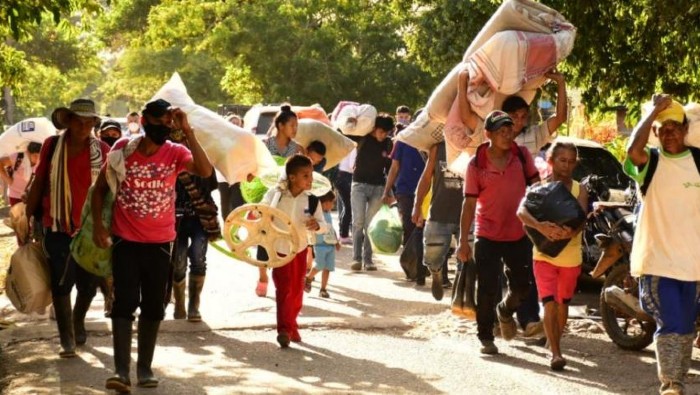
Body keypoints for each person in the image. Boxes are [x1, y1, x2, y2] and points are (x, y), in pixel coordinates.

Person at [92, 99, 212, 392]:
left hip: (160, 244)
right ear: (145, 122)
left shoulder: (175, 152)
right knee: (123, 303)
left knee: (154, 306)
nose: (165, 129)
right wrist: (98, 225)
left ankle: (144, 368)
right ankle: (121, 371)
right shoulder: (124, 149)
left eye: (169, 124)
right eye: (160, 123)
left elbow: (205, 171)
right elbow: (100, 190)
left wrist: (188, 130)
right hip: (125, 241)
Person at [624, 95, 700, 395]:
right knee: (672, 322)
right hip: (658, 263)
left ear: (685, 130)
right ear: (655, 133)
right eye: (662, 128)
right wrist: (654, 110)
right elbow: (632, 150)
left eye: (674, 126)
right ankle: (671, 383)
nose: (669, 132)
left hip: (693, 264)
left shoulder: (697, 160)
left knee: (686, 326)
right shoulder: (652, 162)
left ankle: (677, 380)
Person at [24, 99, 110, 358]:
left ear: (95, 123)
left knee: (87, 285)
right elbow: (39, 182)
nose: (83, 126)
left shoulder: (104, 150)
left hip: (89, 229)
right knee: (61, 283)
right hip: (56, 224)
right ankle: (66, 338)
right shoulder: (52, 145)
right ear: (68, 121)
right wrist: (26, 217)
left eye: (88, 121)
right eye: (78, 120)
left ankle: (78, 320)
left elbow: (109, 192)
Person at [456, 110, 540, 355]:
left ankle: (504, 311)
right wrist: (464, 241)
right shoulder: (477, 164)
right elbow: (469, 203)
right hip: (488, 234)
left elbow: (536, 188)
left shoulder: (521, 156)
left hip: (518, 233)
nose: (507, 135)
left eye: (510, 131)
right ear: (488, 134)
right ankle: (485, 337)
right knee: (487, 288)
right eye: (501, 131)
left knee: (523, 287)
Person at [501, 71, 567, 337]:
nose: (518, 121)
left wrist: (560, 84)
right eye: (513, 116)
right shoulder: (495, 137)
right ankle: (501, 313)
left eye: (522, 116)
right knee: (505, 267)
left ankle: (528, 320)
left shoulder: (534, 136)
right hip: (500, 211)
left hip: (529, 212)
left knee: (527, 265)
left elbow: (559, 118)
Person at [517, 141, 588, 370]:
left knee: (562, 304)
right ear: (551, 161)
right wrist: (541, 227)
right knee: (548, 303)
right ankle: (556, 353)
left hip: (570, 257)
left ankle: (553, 341)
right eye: (561, 160)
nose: (566, 166)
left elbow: (582, 218)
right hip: (543, 255)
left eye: (570, 161)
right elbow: (521, 211)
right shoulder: (539, 187)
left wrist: (569, 232)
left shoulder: (580, 189)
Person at [260, 154, 326, 347]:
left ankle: (292, 325)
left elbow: (323, 225)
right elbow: (261, 210)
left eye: (311, 175)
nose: (310, 180)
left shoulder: (313, 200)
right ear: (292, 177)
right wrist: (260, 215)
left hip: (299, 250)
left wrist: (317, 225)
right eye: (305, 175)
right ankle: (283, 330)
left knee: (297, 291)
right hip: (279, 250)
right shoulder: (276, 194)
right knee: (284, 289)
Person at [255, 105, 304, 297]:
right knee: (262, 236)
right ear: (281, 125)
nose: (295, 129)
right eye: (292, 125)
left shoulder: (297, 149)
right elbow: (257, 169)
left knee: (283, 237)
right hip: (267, 197)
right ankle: (262, 276)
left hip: (288, 201)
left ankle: (281, 277)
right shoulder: (265, 145)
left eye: (296, 125)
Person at [172, 144, 219, 322]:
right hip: (176, 219)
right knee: (178, 261)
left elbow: (212, 185)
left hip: (201, 218)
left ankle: (194, 306)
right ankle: (179, 303)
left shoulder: (204, 161)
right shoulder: (172, 160)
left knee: (199, 258)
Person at [413, 140, 462, 297]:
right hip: (439, 212)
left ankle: (460, 293)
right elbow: (426, 178)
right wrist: (417, 206)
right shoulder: (438, 149)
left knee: (468, 261)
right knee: (433, 258)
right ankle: (436, 274)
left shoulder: (475, 146)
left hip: (467, 214)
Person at [349, 114, 394, 271]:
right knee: (358, 222)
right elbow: (344, 132)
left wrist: (389, 192)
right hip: (359, 185)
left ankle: (368, 260)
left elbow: (390, 168)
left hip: (378, 187)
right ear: (375, 128)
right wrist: (353, 121)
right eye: (382, 131)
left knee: (370, 225)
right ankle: (356, 258)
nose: (384, 135)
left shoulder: (388, 144)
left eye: (387, 133)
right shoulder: (362, 138)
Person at [382, 137, 428, 284]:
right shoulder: (402, 141)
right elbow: (394, 167)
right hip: (405, 191)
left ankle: (422, 266)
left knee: (425, 229)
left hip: (428, 191)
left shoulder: (430, 141)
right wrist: (387, 190)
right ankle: (412, 268)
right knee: (410, 228)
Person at [304, 190, 340, 298]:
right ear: (324, 203)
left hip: (330, 245)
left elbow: (331, 229)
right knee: (319, 265)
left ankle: (323, 289)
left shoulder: (328, 214)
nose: (333, 204)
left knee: (328, 268)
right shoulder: (317, 214)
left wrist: (336, 242)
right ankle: (308, 278)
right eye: (332, 202)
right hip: (320, 245)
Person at [217, 113, 246, 223]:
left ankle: (237, 226)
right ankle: (227, 225)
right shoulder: (220, 139)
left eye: (237, 123)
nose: (234, 125)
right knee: (225, 202)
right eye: (232, 122)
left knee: (237, 202)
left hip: (238, 176)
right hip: (223, 176)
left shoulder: (243, 139)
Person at [0, 141, 42, 207]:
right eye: (35, 155)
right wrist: (8, 180)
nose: (37, 159)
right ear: (28, 153)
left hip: (32, 195)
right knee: (17, 216)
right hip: (16, 195)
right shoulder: (18, 157)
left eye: (39, 156)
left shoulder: (41, 160)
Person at [335, 148, 356, 245]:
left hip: (339, 176)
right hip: (346, 178)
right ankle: (344, 235)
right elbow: (352, 165)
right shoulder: (353, 147)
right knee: (348, 207)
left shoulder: (344, 145)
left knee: (346, 206)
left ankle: (343, 234)